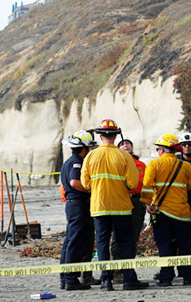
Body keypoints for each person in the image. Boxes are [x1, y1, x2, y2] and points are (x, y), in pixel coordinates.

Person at [81, 119, 149, 291]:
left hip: (99, 206)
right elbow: (133, 183)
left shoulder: (90, 156)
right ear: (116, 135)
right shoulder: (125, 156)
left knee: (102, 243)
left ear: (100, 135)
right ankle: (128, 279)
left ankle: (106, 280)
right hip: (122, 206)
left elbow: (84, 182)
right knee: (125, 242)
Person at [141, 133, 191, 286]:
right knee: (185, 245)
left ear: (161, 150)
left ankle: (166, 277)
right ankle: (188, 276)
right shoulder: (185, 165)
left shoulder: (154, 165)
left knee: (165, 245)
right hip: (182, 213)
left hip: (162, 212)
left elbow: (147, 185)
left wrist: (147, 204)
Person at [59, 130, 97, 291]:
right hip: (78, 205)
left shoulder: (70, 161)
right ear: (83, 148)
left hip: (74, 205)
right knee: (75, 242)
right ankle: (71, 279)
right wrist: (90, 189)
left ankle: (65, 277)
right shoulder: (77, 162)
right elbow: (75, 182)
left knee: (70, 241)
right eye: (89, 147)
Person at [110, 137, 147, 282]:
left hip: (137, 202)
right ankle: (116, 270)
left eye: (128, 143)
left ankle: (128, 269)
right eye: (122, 144)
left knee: (133, 236)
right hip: (120, 200)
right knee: (117, 237)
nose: (125, 145)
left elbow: (146, 184)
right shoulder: (115, 162)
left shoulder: (140, 165)